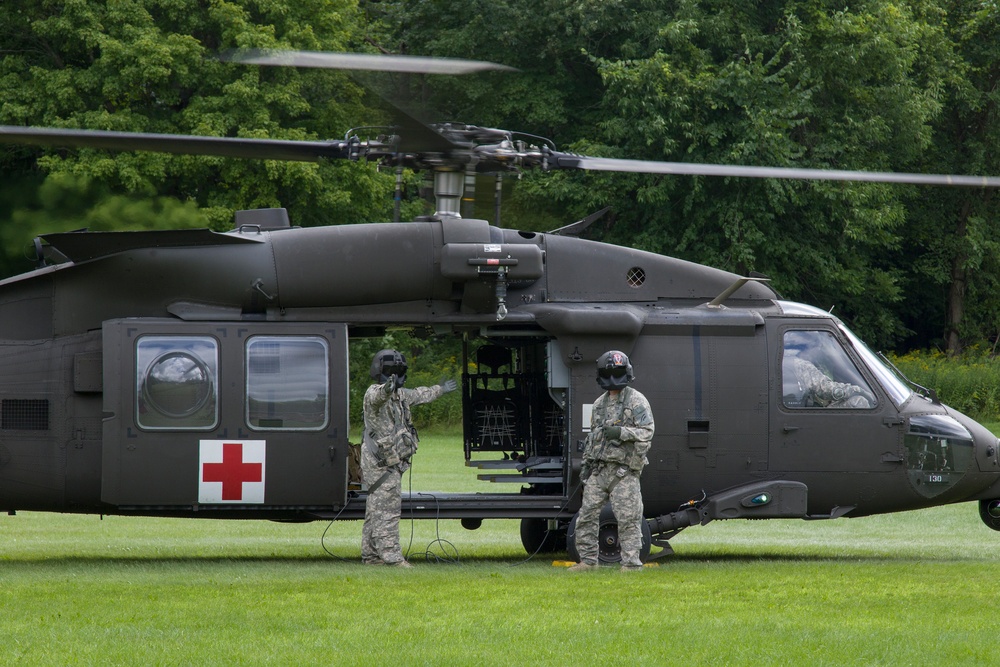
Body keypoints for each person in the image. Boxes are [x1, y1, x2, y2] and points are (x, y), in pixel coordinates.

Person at [361, 348, 457, 567]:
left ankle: (371, 556)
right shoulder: (374, 393)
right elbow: (379, 396)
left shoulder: (401, 395)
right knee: (388, 510)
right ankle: (392, 557)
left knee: (375, 508)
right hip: (381, 463)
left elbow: (421, 394)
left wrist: (440, 389)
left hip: (391, 462)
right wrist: (388, 387)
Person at [569, 350, 654, 572]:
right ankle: (587, 561)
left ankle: (631, 564)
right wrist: (587, 466)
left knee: (628, 519)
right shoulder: (599, 404)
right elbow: (594, 437)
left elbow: (647, 432)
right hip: (600, 469)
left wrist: (622, 433)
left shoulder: (637, 400)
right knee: (586, 516)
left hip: (623, 471)